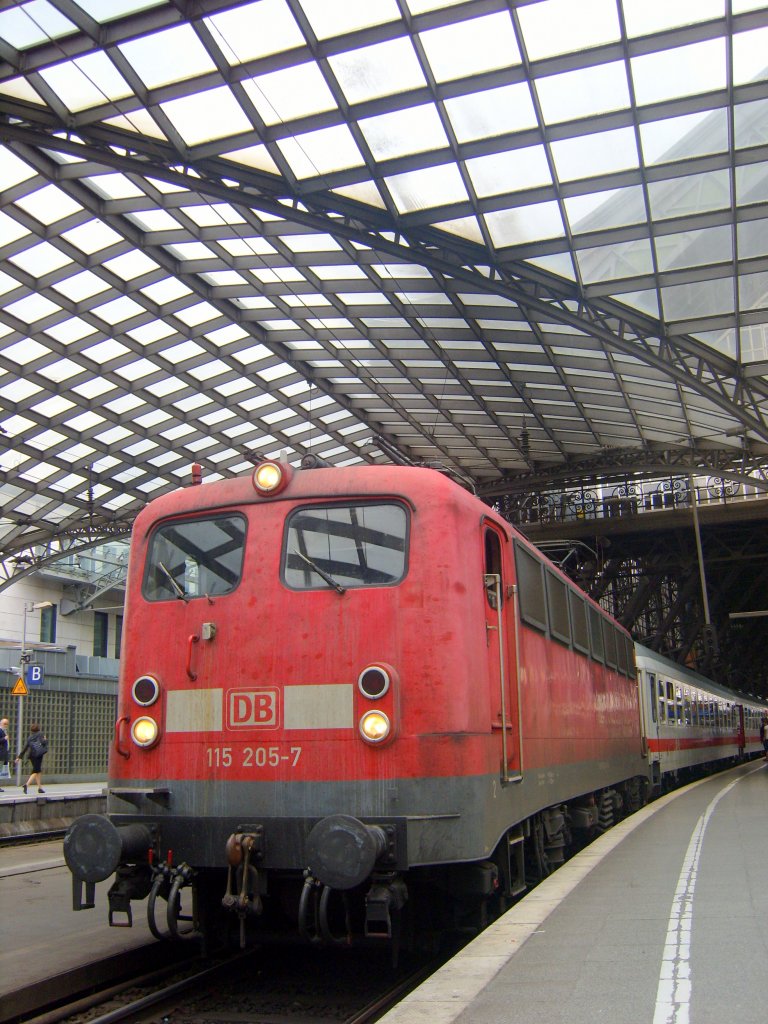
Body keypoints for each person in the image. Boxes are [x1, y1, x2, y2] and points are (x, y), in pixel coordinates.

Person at [15, 723, 48, 794]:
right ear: (38, 728)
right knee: (36, 771)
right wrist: (45, 739)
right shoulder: (41, 734)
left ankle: (40, 788)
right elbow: (43, 742)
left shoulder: (29, 738)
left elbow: (25, 748)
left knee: (38, 770)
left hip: (32, 756)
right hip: (38, 755)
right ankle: (26, 785)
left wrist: (19, 757)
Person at [0, 718, 9, 792]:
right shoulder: (0, 731)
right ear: (1, 724)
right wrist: (4, 738)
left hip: (3, 753)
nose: (6, 725)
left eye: (7, 724)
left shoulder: (4, 731)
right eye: (5, 724)